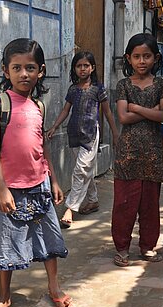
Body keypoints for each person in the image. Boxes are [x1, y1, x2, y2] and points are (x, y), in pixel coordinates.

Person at [0, 38, 72, 307]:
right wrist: (2, 188)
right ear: (6, 71)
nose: (24, 74)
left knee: (49, 238)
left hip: (39, 185)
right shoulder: (0, 103)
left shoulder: (39, 106)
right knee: (5, 242)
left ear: (40, 71)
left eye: (30, 68)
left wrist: (54, 180)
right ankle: (4, 295)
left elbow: (43, 147)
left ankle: (54, 287)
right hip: (11, 189)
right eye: (16, 68)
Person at [111, 33, 163, 267]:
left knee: (149, 204)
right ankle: (122, 248)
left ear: (156, 58)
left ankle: (147, 246)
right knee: (124, 204)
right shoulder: (123, 85)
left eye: (147, 56)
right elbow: (124, 117)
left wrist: (136, 108)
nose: (142, 61)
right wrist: (148, 109)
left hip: (153, 152)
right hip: (127, 153)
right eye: (136, 56)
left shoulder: (162, 85)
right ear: (128, 58)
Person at [46, 51, 119, 228]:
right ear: (74, 69)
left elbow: (107, 111)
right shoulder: (73, 89)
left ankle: (70, 208)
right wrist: (55, 126)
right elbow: (65, 110)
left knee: (80, 170)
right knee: (84, 170)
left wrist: (115, 133)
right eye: (79, 66)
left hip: (90, 135)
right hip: (74, 134)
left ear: (92, 68)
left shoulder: (98, 89)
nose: (82, 69)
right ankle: (92, 200)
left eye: (86, 65)